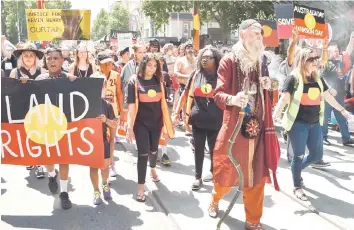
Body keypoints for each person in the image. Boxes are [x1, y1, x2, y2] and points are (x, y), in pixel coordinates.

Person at [207, 19, 277, 230]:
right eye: (254, 33)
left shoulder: (261, 60)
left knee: (255, 175)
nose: (258, 37)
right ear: (242, 35)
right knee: (225, 174)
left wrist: (269, 85)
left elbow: (271, 92)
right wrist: (234, 99)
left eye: (260, 34)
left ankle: (253, 220)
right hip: (234, 131)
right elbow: (217, 94)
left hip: (257, 130)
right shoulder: (229, 61)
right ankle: (215, 199)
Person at [273, 48, 354, 201]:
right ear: (303, 61)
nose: (315, 62)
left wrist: (343, 111)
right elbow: (283, 101)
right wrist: (272, 119)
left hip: (315, 123)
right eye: (311, 60)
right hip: (297, 124)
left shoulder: (318, 79)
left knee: (317, 155)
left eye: (316, 59)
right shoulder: (292, 79)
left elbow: (328, 98)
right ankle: (297, 185)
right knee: (298, 155)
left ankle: (295, 170)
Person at [22, 47, 76, 210]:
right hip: (46, 126)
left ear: (62, 61)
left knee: (64, 158)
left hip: (65, 125)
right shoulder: (40, 79)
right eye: (49, 58)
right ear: (46, 61)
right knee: (48, 159)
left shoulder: (69, 79)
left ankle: (64, 193)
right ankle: (52, 175)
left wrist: (77, 83)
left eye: (55, 58)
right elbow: (30, 100)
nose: (52, 61)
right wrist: (25, 86)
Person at [126, 53, 174, 202]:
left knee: (154, 150)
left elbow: (164, 105)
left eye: (155, 66)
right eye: (149, 65)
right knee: (143, 154)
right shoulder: (134, 82)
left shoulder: (159, 81)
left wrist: (168, 122)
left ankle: (152, 168)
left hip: (157, 123)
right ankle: (140, 188)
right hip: (141, 124)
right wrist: (129, 127)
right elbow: (132, 108)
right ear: (143, 65)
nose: (152, 68)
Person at [174, 47, 223, 190]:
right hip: (198, 120)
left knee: (215, 149)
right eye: (203, 57)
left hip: (216, 121)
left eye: (208, 57)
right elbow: (185, 94)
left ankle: (213, 172)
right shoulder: (195, 75)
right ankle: (197, 177)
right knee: (199, 149)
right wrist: (177, 112)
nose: (204, 59)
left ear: (216, 60)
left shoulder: (222, 76)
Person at [89, 73, 116, 205]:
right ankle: (96, 191)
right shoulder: (84, 103)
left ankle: (105, 184)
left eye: (101, 85)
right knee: (93, 168)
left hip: (103, 141)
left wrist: (106, 120)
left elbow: (114, 125)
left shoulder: (107, 105)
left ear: (104, 87)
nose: (98, 88)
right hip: (89, 143)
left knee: (105, 167)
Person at [321, 40, 354, 147]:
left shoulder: (339, 62)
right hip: (328, 95)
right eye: (335, 51)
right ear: (329, 52)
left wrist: (351, 40)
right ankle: (323, 137)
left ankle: (346, 138)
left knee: (342, 117)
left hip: (339, 94)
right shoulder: (326, 63)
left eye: (337, 51)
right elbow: (322, 78)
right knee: (325, 118)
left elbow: (347, 52)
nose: (337, 52)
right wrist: (329, 89)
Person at [96, 51, 124, 177]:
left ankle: (111, 164)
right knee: (101, 139)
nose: (108, 66)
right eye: (105, 64)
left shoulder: (116, 75)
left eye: (110, 64)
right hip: (99, 111)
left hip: (113, 110)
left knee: (112, 138)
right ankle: (99, 162)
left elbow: (119, 93)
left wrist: (122, 111)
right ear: (98, 64)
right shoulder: (94, 76)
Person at [173, 42, 197, 135]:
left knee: (194, 107)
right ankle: (186, 126)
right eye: (188, 48)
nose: (190, 50)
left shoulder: (197, 60)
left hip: (195, 87)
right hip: (184, 86)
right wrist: (188, 76)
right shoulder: (180, 61)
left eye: (191, 48)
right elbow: (176, 73)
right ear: (185, 50)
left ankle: (194, 125)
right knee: (185, 107)